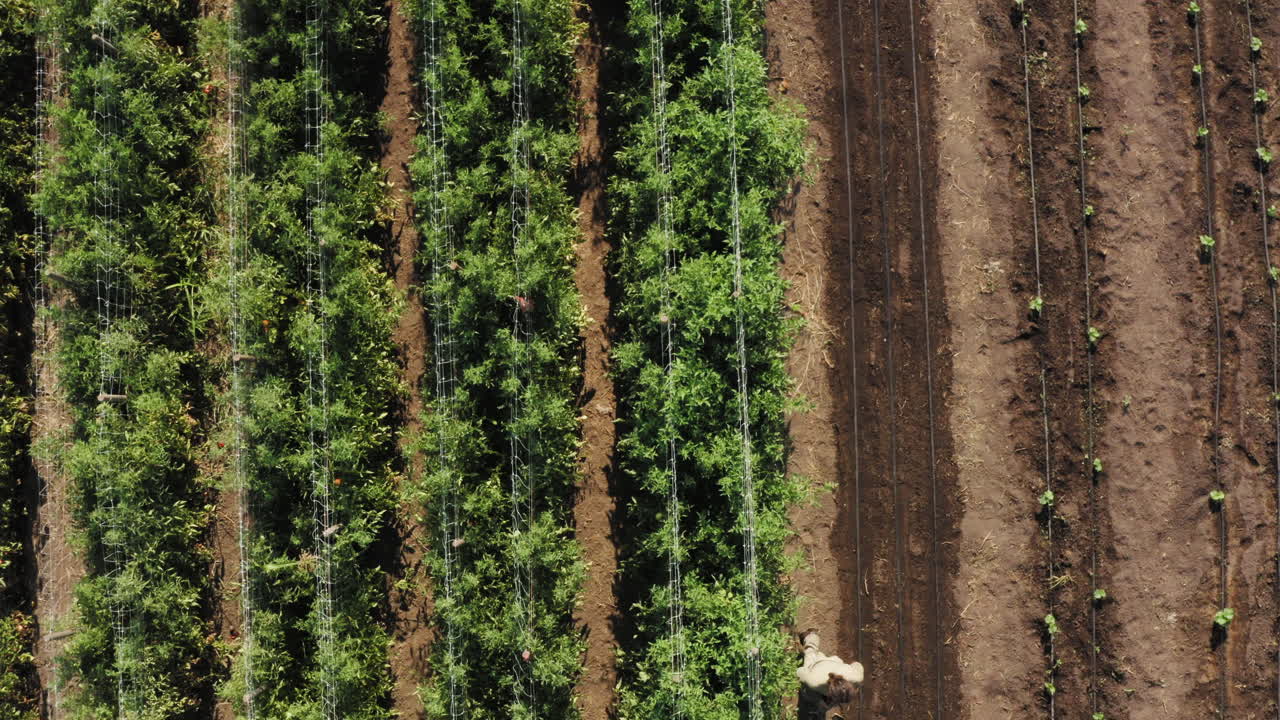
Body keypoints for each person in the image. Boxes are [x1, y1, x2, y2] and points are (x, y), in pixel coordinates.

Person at [796, 629, 863, 716]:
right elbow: (800, 672)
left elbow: (857, 665)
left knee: (818, 655)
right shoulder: (814, 681)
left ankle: (820, 708)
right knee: (811, 653)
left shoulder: (857, 677)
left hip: (834, 660)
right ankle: (810, 636)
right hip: (816, 665)